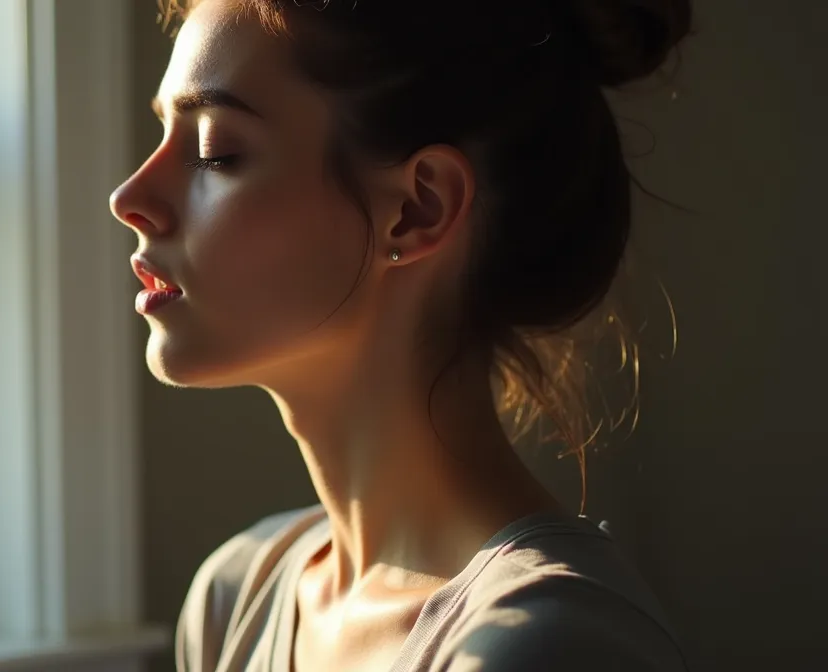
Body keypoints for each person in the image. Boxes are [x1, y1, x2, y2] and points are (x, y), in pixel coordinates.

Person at [110, 0, 692, 669]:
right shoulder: (235, 599)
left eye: (216, 151)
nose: (129, 196)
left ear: (419, 208)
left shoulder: (547, 645)